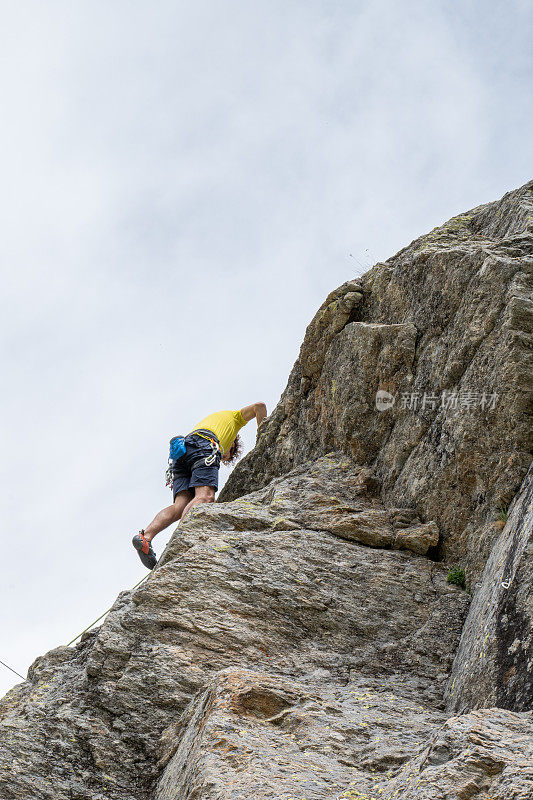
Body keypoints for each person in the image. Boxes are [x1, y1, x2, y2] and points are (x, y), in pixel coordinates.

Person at [132, 403, 267, 569]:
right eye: (226, 455)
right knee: (205, 496)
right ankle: (180, 540)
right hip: (205, 445)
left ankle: (146, 537)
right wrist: (264, 438)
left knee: (180, 506)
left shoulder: (212, 421)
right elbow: (259, 407)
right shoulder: (236, 419)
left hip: (182, 451)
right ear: (233, 444)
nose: (223, 456)